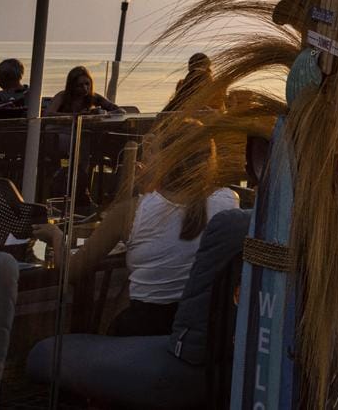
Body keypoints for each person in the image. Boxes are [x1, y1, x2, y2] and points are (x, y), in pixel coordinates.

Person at [39, 131, 238, 336]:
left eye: (152, 153)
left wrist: (55, 235)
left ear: (164, 161)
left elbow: (70, 271)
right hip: (197, 331)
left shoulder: (132, 212)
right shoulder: (228, 201)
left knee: (123, 300)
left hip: (143, 333)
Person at [46, 65, 121, 117]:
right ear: (72, 86)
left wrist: (102, 114)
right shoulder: (62, 96)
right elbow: (48, 114)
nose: (85, 88)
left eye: (87, 84)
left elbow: (120, 111)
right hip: (61, 131)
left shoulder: (94, 97)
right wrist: (77, 116)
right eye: (80, 85)